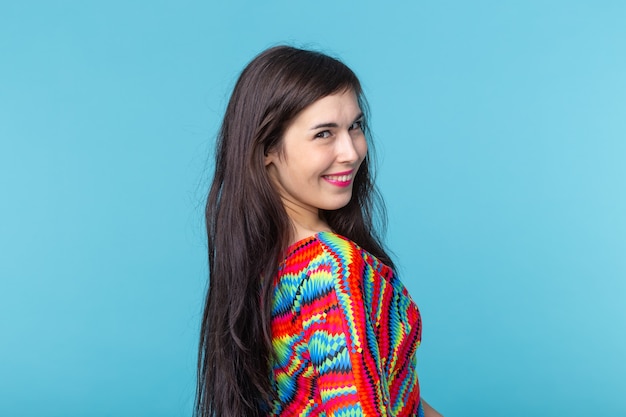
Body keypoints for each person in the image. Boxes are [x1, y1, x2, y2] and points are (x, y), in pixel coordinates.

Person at [195, 45, 443, 417]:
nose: (351, 151)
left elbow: (396, 396)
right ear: (267, 148)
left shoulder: (262, 263)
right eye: (324, 134)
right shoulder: (331, 270)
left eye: (355, 126)